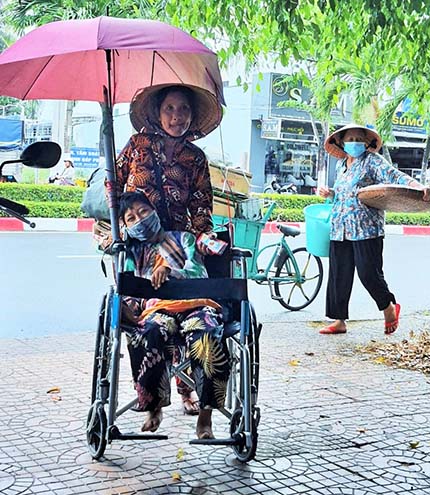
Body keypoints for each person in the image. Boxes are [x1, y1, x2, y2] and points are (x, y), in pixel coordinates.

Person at [112, 83, 223, 414]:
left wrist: (206, 242)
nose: (178, 116)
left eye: (184, 109)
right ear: (158, 113)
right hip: (138, 245)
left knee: (186, 310)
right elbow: (113, 186)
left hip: (177, 247)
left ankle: (188, 388)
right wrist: (114, 228)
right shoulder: (138, 145)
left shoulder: (195, 158)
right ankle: (149, 392)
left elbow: (201, 209)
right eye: (170, 109)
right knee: (136, 319)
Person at [119, 191, 230, 439]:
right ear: (125, 226)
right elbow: (128, 287)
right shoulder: (132, 254)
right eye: (131, 218)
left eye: (143, 212)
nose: (139, 219)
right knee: (149, 332)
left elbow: (198, 271)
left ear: (155, 211)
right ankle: (154, 407)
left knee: (207, 334)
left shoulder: (184, 239)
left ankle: (205, 417)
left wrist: (171, 271)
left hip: (195, 304)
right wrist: (128, 308)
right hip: (158, 308)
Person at [319, 123, 430, 335]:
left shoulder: (372, 161)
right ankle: (339, 320)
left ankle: (388, 306)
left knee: (369, 273)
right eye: (349, 140)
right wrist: (331, 193)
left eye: (357, 139)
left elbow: (395, 176)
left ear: (366, 142)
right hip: (340, 227)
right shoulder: (341, 165)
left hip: (366, 228)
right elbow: (347, 193)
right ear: (341, 143)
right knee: (338, 275)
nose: (353, 143)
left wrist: (418, 187)